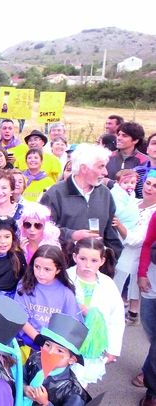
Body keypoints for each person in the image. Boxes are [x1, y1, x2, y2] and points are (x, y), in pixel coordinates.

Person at [40, 143, 123, 260]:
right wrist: (71, 235)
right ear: (84, 168)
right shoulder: (55, 194)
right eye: (101, 167)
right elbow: (42, 230)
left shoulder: (104, 193)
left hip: (95, 270)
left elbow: (111, 234)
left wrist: (108, 264)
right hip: (62, 268)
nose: (105, 172)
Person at [67, 237, 124, 387]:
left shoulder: (107, 284)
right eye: (83, 258)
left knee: (80, 382)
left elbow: (116, 318)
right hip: (66, 341)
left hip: (91, 344)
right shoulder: (65, 278)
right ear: (74, 257)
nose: (87, 265)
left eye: (94, 260)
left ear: (102, 261)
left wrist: (112, 349)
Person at [14, 246, 81, 354]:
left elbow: (71, 325)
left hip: (52, 350)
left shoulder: (66, 294)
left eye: (47, 269)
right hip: (25, 345)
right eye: (37, 267)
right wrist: (39, 340)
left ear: (58, 270)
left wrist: (51, 346)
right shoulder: (25, 285)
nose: (40, 273)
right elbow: (20, 318)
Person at [113, 170, 156, 325]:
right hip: (117, 255)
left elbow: (138, 240)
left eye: (155, 186)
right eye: (148, 183)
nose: (150, 188)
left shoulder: (154, 212)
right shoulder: (133, 201)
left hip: (133, 262)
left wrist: (119, 226)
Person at [22, 313, 91, 406]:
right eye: (47, 345)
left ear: (72, 359)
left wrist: (46, 403)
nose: (50, 352)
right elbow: (20, 376)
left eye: (60, 351)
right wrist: (23, 388)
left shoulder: (74, 392)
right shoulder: (35, 359)